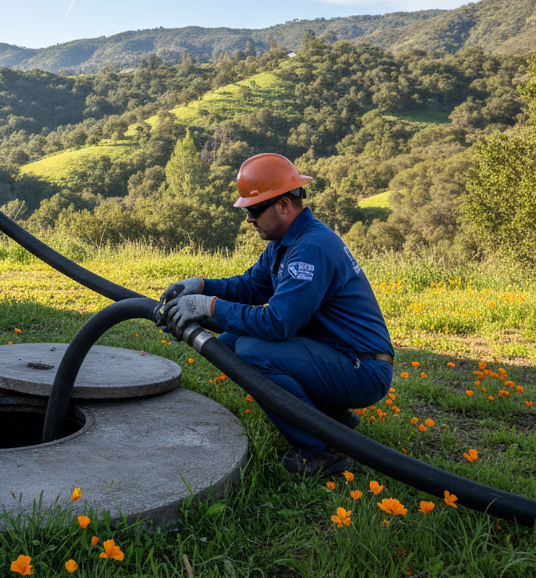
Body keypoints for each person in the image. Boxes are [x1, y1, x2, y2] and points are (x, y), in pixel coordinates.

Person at [158, 153, 393, 476]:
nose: (249, 219)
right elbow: (251, 286)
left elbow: (278, 323)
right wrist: (200, 286)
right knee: (228, 343)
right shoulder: (285, 243)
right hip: (338, 355)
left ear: (284, 205)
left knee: (254, 351)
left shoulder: (311, 249)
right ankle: (331, 417)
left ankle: (322, 449)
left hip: (363, 369)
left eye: (254, 210)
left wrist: (207, 307)